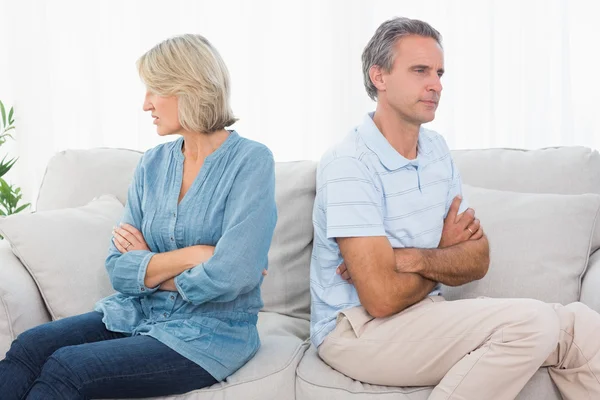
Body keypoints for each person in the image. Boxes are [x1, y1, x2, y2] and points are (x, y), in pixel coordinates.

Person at [310, 17, 600, 400]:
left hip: (421, 314)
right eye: (420, 71)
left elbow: (478, 258)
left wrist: (409, 258)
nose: (436, 85)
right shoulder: (349, 164)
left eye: (439, 73)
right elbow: (380, 298)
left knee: (581, 325)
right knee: (533, 323)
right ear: (378, 76)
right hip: (355, 330)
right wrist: (444, 255)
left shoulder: (436, 151)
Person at [0, 34, 277, 399]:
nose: (146, 104)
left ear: (189, 88)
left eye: (154, 90)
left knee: (68, 369)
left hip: (210, 333)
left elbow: (232, 275)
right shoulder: (153, 163)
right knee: (29, 348)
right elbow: (119, 269)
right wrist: (195, 256)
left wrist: (150, 266)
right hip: (136, 313)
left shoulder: (251, 162)